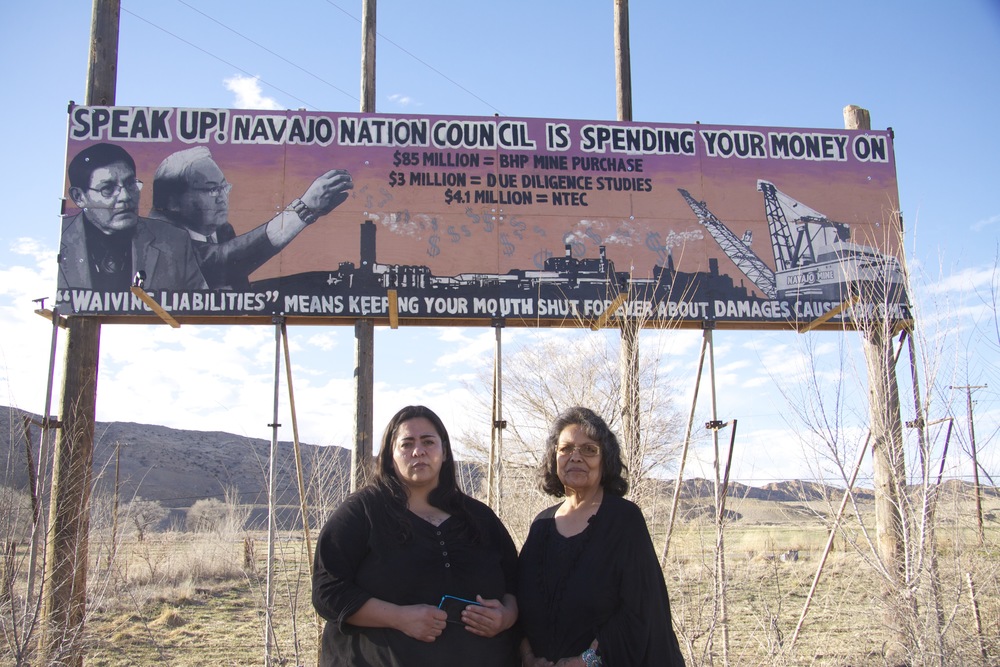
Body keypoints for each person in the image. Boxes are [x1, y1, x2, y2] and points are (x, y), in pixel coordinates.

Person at [312, 405, 520, 667]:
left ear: (444, 452)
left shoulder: (479, 517)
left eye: (428, 442)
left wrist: (507, 616)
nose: (418, 451)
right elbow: (327, 590)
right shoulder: (362, 513)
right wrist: (399, 617)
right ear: (390, 456)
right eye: (407, 444)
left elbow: (515, 582)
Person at [517, 407, 685, 667]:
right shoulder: (541, 524)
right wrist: (527, 657)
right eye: (566, 449)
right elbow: (520, 598)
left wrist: (587, 661)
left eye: (589, 450)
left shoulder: (623, 520)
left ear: (605, 459)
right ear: (554, 457)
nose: (575, 457)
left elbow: (640, 610)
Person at [148, 146, 353, 289]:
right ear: (173, 201)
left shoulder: (220, 231)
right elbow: (221, 262)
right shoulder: (158, 239)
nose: (222, 198)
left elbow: (238, 289)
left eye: (224, 188)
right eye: (211, 190)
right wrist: (304, 209)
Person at [59, 143, 208, 291]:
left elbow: (200, 306)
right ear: (79, 197)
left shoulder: (174, 240)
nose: (126, 196)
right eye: (108, 189)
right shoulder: (60, 237)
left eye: (130, 184)